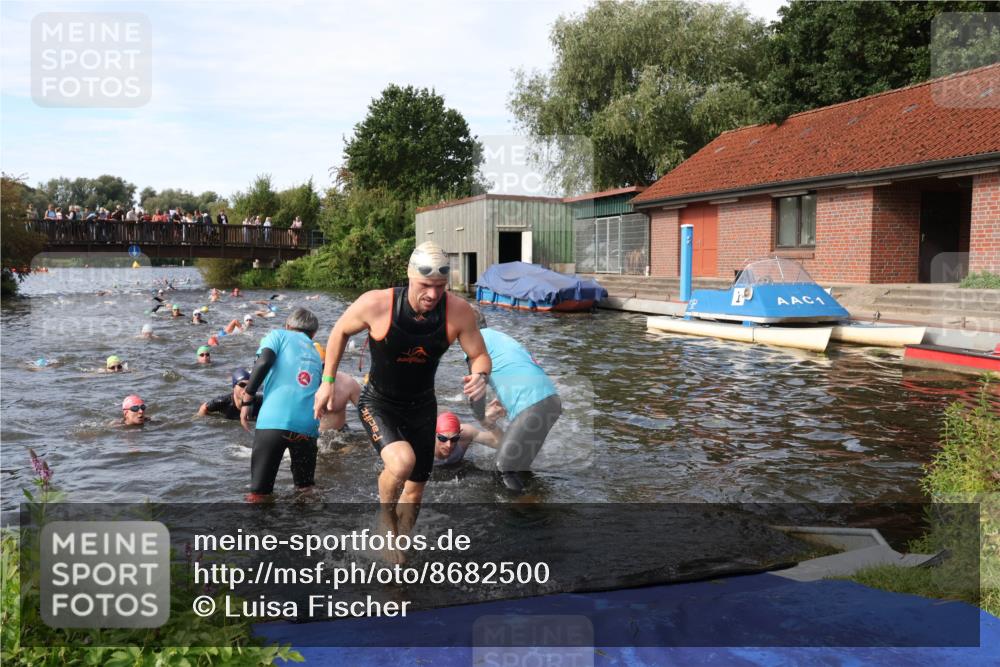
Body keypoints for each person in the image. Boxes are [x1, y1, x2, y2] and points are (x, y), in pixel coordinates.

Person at [313, 242, 490, 559]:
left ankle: (398, 552)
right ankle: (385, 518)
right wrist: (327, 383)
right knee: (402, 462)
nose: (433, 295)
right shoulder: (378, 304)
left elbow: (479, 355)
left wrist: (480, 376)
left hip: (422, 406)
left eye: (439, 286)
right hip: (379, 402)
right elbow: (340, 331)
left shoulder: (457, 311)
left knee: (416, 488)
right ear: (410, 278)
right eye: (425, 285)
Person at [468, 306, 562, 492]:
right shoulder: (501, 337)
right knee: (520, 468)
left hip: (533, 405)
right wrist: (505, 399)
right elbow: (517, 368)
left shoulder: (475, 342)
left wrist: (482, 418)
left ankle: (527, 507)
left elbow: (475, 389)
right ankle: (532, 513)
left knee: (502, 470)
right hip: (551, 401)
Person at [238, 308, 323, 503]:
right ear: (314, 333)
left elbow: (264, 361)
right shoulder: (316, 352)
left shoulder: (278, 335)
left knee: (259, 494)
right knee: (306, 490)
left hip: (274, 422)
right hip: (308, 428)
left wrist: (248, 397)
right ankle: (304, 531)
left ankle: (258, 532)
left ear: (288, 326)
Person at [432, 408, 504, 467]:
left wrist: (490, 425)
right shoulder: (423, 442)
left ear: (459, 433)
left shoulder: (466, 434)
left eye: (454, 439)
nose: (449, 445)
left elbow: (501, 444)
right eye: (443, 438)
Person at [198, 368, 263, 420]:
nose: (246, 389)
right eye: (242, 385)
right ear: (234, 387)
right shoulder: (223, 402)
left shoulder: (259, 401)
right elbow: (204, 408)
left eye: (249, 385)